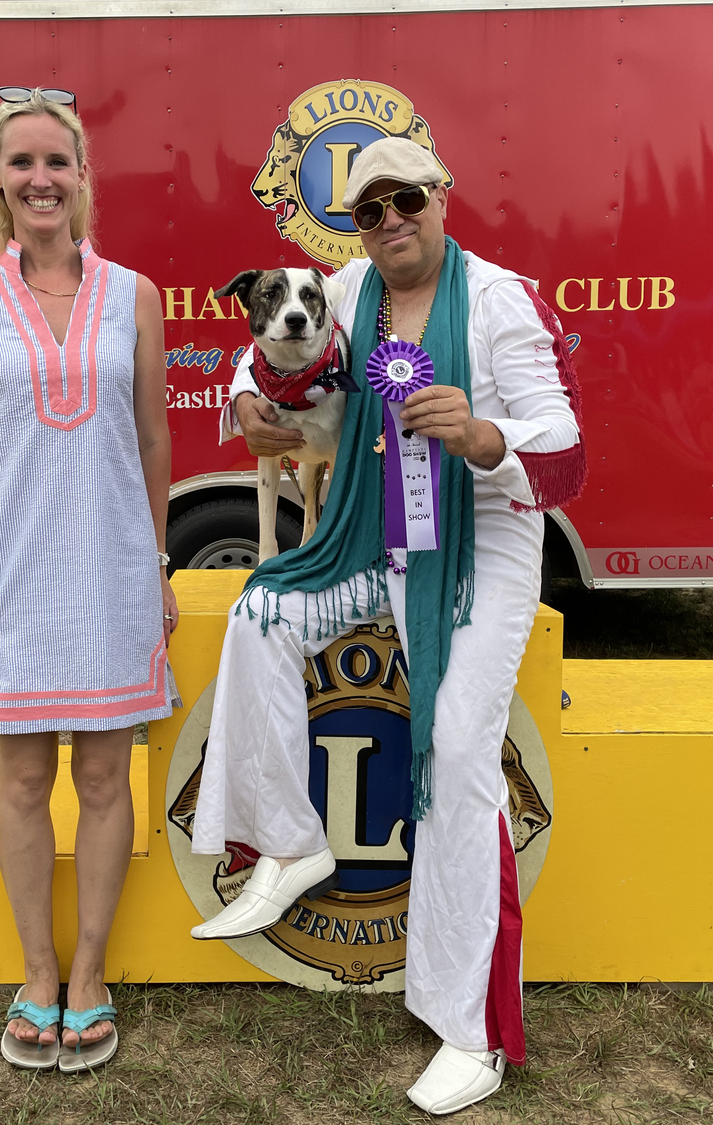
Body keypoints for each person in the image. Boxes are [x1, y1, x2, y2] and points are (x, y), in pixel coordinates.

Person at [191, 137, 584, 1115]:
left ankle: (472, 1033)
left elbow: (569, 457)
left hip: (484, 548)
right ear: (353, 226)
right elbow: (256, 358)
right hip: (377, 535)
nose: (390, 220)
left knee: (456, 750)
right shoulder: (345, 287)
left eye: (406, 198)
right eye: (369, 210)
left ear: (441, 197)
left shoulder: (499, 301)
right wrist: (247, 401)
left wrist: (488, 436)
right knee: (262, 613)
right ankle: (290, 844)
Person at [0, 87, 178, 1073]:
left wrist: (155, 559)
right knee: (23, 777)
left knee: (107, 776)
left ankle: (89, 976)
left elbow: (153, 434)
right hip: (12, 566)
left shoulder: (137, 295)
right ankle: (37, 974)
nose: (40, 179)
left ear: (82, 179)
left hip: (111, 564)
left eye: (56, 163)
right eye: (20, 162)